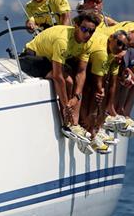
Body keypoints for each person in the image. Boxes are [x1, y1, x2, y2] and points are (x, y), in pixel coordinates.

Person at [18, 11, 101, 146]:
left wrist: (76, 97)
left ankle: (76, 123)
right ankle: (68, 123)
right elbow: (57, 76)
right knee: (68, 81)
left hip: (49, 58)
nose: (88, 34)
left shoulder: (88, 42)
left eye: (92, 31)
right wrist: (66, 105)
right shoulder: (63, 41)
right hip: (30, 58)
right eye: (84, 29)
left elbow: (81, 71)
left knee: (76, 80)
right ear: (76, 26)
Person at [80, 30, 130, 152]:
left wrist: (109, 110)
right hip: (77, 62)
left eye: (124, 47)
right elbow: (96, 85)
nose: (120, 48)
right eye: (119, 43)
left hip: (90, 67)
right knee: (92, 89)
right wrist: (92, 114)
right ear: (111, 38)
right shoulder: (102, 53)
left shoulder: (115, 56)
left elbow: (112, 84)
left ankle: (97, 127)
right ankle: (87, 128)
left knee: (105, 87)